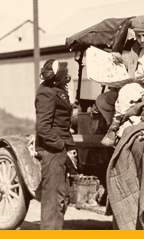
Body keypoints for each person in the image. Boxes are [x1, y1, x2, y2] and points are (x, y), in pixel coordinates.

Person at [100, 15, 144, 146]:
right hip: (135, 83)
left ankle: (115, 126)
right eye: (138, 36)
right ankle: (115, 123)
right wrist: (120, 60)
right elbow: (131, 69)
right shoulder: (135, 48)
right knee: (103, 99)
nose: (142, 39)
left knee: (126, 91)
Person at [34, 59, 75, 230]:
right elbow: (42, 127)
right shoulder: (47, 93)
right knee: (53, 199)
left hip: (58, 148)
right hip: (52, 150)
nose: (69, 76)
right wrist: (59, 145)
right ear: (58, 77)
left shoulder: (56, 89)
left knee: (60, 196)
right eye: (66, 73)